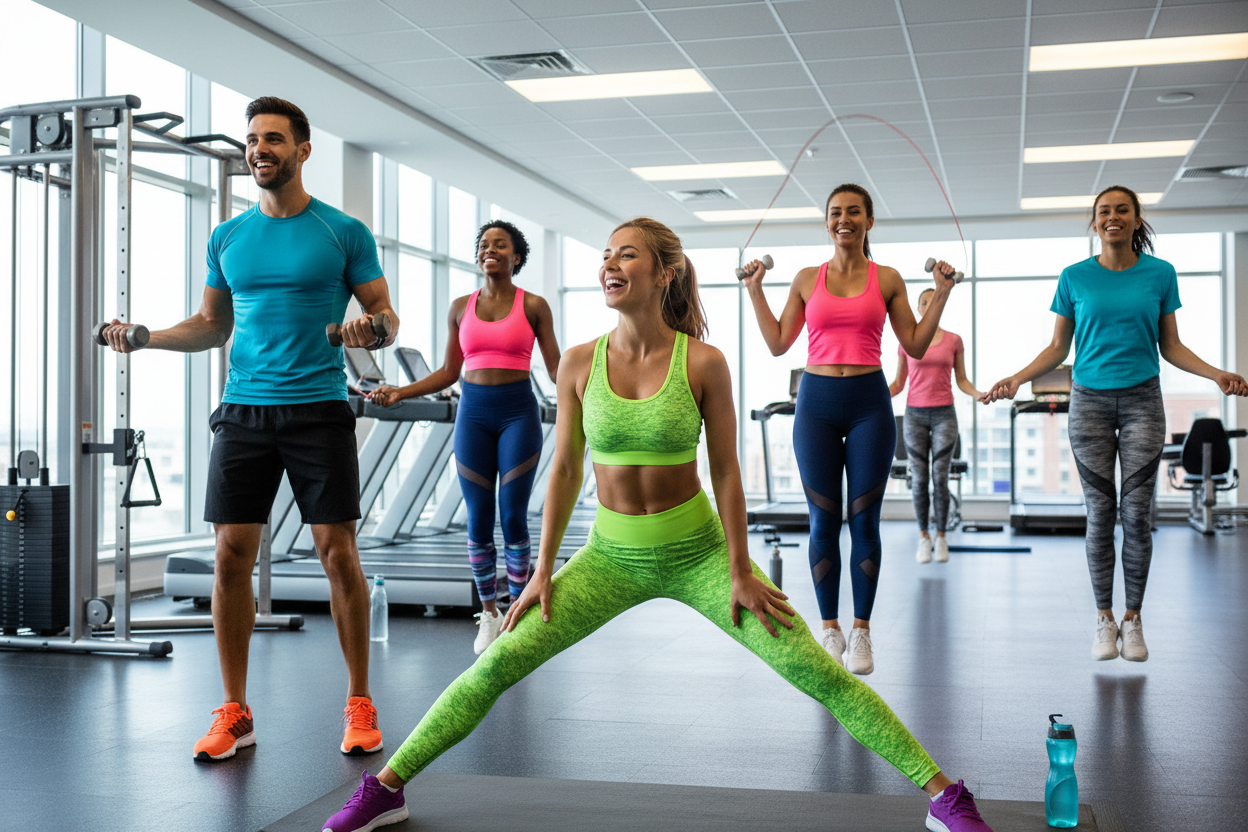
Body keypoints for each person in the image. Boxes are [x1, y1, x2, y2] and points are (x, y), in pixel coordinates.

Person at [321, 217, 995, 832]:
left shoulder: (702, 363)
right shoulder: (581, 361)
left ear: (663, 272)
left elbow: (727, 472)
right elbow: (561, 472)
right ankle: (386, 789)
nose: (611, 264)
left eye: (628, 254)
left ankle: (945, 796)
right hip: (608, 555)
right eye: (607, 254)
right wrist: (545, 573)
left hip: (699, 553)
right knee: (498, 664)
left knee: (815, 671)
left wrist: (737, 568)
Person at [100, 97, 396, 761]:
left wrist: (367, 330)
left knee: (336, 554)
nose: (259, 149)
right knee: (231, 555)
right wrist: (146, 337)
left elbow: (384, 315)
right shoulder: (227, 236)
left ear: (302, 150)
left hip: (318, 407)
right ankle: (234, 711)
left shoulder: (342, 231)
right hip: (244, 410)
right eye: (253, 140)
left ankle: (359, 702)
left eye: (273, 140)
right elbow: (211, 325)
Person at [981, 184, 1247, 662]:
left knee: (1138, 517)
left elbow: (1172, 346)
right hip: (1089, 404)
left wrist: (1217, 375)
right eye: (1104, 211)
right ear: (1095, 221)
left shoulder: (1160, 274)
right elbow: (1058, 349)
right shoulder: (1074, 277)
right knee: (1101, 516)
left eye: (1122, 210)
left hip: (1144, 399)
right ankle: (1104, 618)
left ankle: (1134, 618)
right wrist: (1017, 379)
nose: (1113, 217)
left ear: (1137, 219)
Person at [742, 183, 959, 675]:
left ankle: (861, 632)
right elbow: (778, 343)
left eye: (854, 212)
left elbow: (916, 344)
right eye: (836, 212)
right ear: (827, 222)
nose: (845, 219)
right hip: (815, 405)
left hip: (869, 405)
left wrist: (941, 295)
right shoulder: (804, 278)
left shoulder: (886, 279)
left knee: (863, 521)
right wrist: (756, 290)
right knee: (822, 521)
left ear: (869, 221)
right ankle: (830, 628)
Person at [369, 220, 560, 653]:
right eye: (483, 245)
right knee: (477, 521)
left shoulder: (535, 306)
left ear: (516, 257)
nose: (489, 250)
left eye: (499, 245)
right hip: (472, 415)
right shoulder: (460, 307)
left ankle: (518, 612)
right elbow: (447, 373)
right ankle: (489, 614)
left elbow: (555, 369)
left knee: (512, 516)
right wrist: (400, 391)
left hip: (518, 414)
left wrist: (593, 392)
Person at [889, 287, 982, 563]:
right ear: (918, 308)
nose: (929, 306)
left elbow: (963, 381)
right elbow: (897, 383)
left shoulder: (954, 340)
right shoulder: (906, 341)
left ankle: (941, 537)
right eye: (924, 302)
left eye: (933, 301)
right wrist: (871, 394)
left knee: (940, 478)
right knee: (919, 479)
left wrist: (979, 394)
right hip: (914, 416)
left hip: (944, 414)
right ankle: (923, 538)